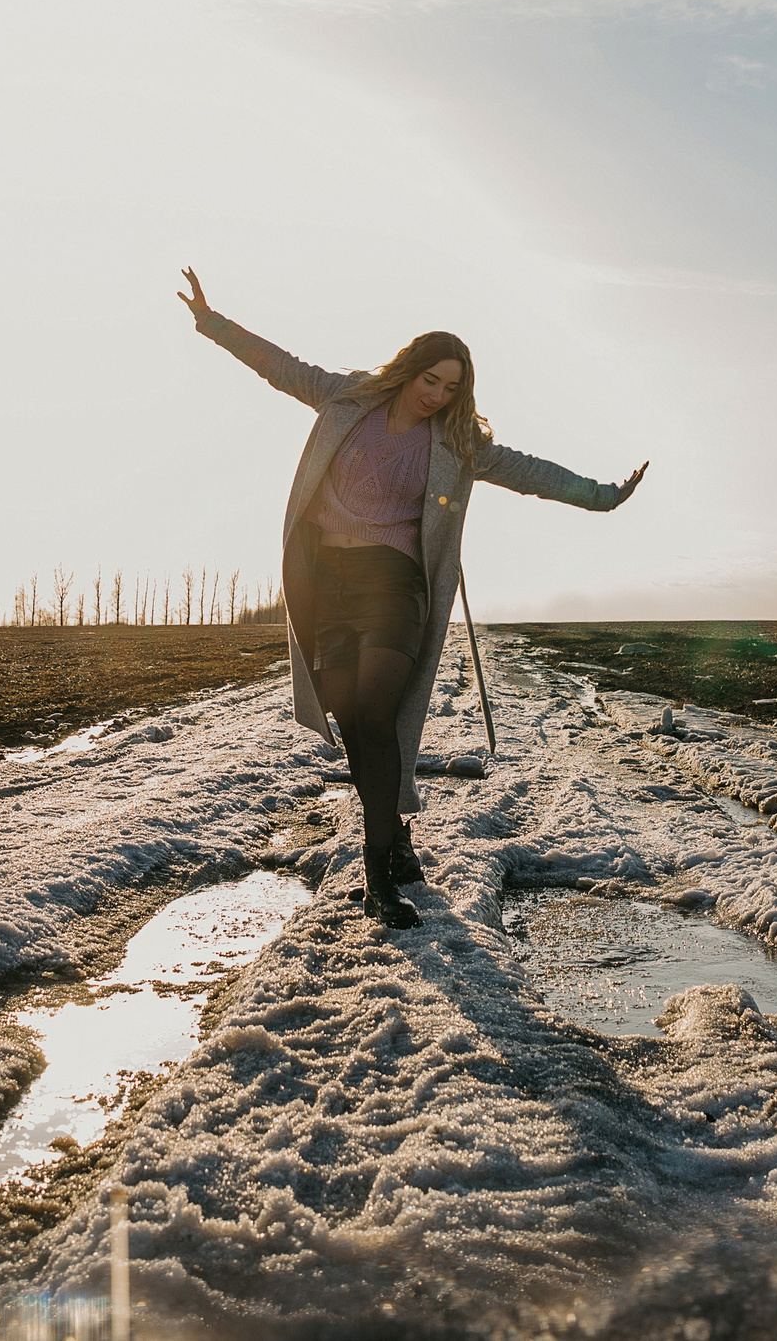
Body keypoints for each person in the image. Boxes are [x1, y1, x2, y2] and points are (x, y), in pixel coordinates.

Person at [178, 268, 647, 929]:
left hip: (396, 584)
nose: (437, 394)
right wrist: (214, 322)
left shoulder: (459, 444)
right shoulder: (347, 398)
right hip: (327, 585)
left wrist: (604, 495)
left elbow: (533, 473)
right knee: (357, 723)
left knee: (378, 709)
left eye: (453, 387)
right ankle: (394, 836)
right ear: (409, 368)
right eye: (432, 379)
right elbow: (279, 365)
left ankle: (376, 881)